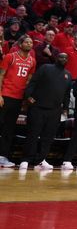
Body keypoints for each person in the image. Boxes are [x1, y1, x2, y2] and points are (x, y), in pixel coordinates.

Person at [20, 52, 72, 170]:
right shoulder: (45, 68)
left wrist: (65, 109)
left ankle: (41, 159)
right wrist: (28, 96)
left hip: (55, 111)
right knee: (32, 134)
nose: (63, 59)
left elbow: (67, 95)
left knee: (48, 137)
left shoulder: (68, 75)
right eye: (61, 56)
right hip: (38, 107)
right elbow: (33, 82)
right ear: (56, 58)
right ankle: (26, 159)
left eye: (65, 58)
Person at [0, 36, 36, 167]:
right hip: (5, 95)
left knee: (9, 129)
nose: (29, 44)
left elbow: (29, 81)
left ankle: (2, 157)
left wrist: (25, 99)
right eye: (26, 42)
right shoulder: (10, 56)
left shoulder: (32, 61)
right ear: (20, 44)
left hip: (18, 98)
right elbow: (1, 75)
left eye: (31, 42)